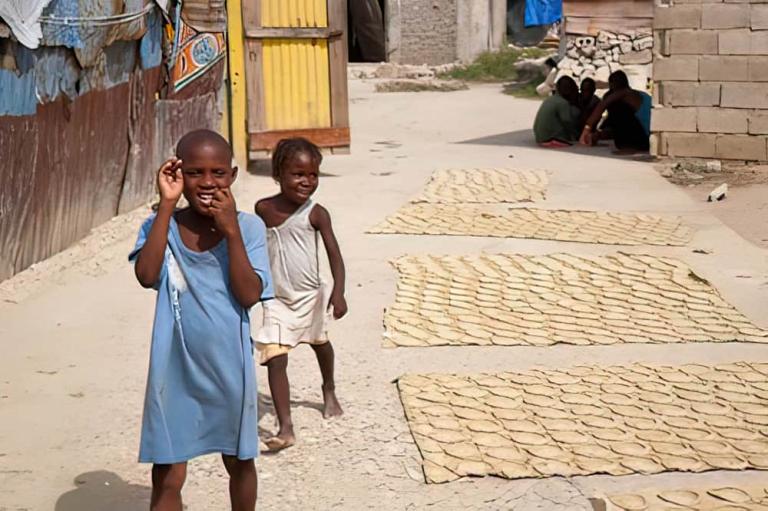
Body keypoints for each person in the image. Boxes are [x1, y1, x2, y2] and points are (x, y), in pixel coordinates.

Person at [130, 129, 273, 511]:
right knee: (168, 474)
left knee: (240, 461)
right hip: (173, 367)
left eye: (218, 172)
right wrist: (165, 205)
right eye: (194, 172)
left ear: (233, 175)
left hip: (230, 366)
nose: (208, 182)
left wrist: (230, 232)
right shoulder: (163, 227)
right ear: (176, 172)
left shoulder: (249, 228)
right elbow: (147, 275)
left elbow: (248, 295)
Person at [253, 137, 348, 451]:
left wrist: (338, 293)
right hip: (277, 298)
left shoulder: (317, 213)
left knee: (320, 344)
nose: (307, 181)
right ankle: (285, 427)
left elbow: (334, 254)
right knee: (275, 358)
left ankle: (329, 388)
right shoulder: (263, 209)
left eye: (313, 175)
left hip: (311, 296)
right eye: (298, 174)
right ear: (278, 175)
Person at [579, 70, 652, 153]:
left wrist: (586, 129)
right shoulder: (640, 94)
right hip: (649, 137)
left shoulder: (625, 93)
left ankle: (629, 146)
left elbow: (603, 105)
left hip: (645, 140)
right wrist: (597, 135)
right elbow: (611, 128)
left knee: (616, 106)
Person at [533, 75, 581, 148]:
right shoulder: (563, 103)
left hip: (540, 138)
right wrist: (577, 135)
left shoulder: (549, 100)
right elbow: (567, 121)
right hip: (551, 139)